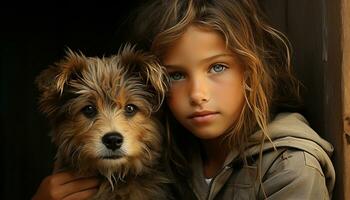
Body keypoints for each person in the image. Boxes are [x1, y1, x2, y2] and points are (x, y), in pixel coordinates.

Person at [33, 0, 335, 199]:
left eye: (218, 67)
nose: (198, 94)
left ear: (253, 69)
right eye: (176, 75)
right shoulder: (176, 150)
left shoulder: (291, 170)